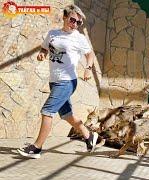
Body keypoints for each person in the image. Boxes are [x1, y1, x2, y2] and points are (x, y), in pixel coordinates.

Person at [17, 4, 98, 159]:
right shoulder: (53, 34)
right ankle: (89, 136)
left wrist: (88, 68)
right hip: (54, 81)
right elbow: (45, 48)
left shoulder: (78, 38)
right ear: (65, 17)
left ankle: (36, 148)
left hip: (67, 81)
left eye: (78, 22)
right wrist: (42, 54)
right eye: (73, 20)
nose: (75, 24)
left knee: (47, 111)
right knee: (67, 115)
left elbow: (90, 55)